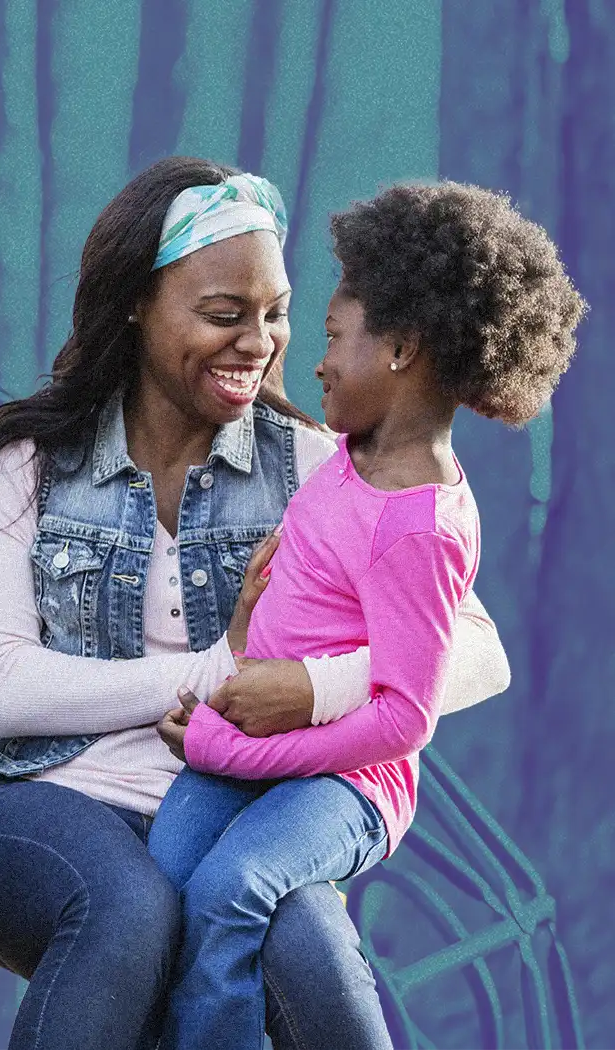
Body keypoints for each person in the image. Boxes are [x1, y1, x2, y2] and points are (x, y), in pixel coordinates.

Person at [0, 157, 513, 1050]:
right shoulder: (27, 461)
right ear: (137, 303)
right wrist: (215, 675)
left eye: (277, 314)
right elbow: (0, 690)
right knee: (131, 906)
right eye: (223, 315)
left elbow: (477, 648)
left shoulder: (323, 463)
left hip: (241, 804)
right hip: (54, 795)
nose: (259, 342)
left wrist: (312, 690)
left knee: (310, 945)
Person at [146, 180, 584, 1050]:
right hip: (253, 754)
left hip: (346, 787)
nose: (311, 360)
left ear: (402, 350)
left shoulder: (420, 526)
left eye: (334, 338)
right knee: (160, 881)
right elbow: (304, 613)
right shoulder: (345, 457)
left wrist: (247, 739)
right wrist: (237, 660)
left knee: (234, 890)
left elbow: (403, 716)